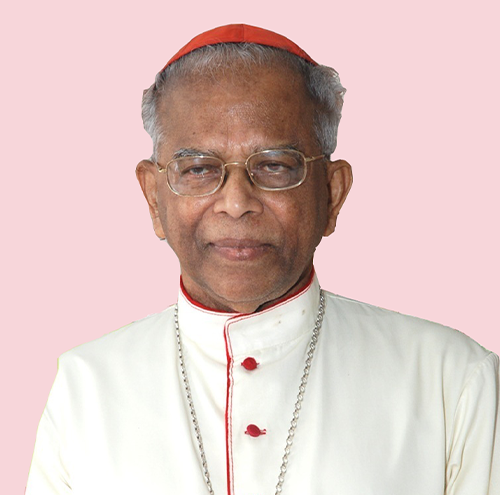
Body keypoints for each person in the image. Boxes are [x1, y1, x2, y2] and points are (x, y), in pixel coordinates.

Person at [26, 24, 499, 495]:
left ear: (332, 194)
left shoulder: (452, 381)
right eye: (199, 168)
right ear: (154, 198)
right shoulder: (84, 389)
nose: (236, 203)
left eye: (274, 166)